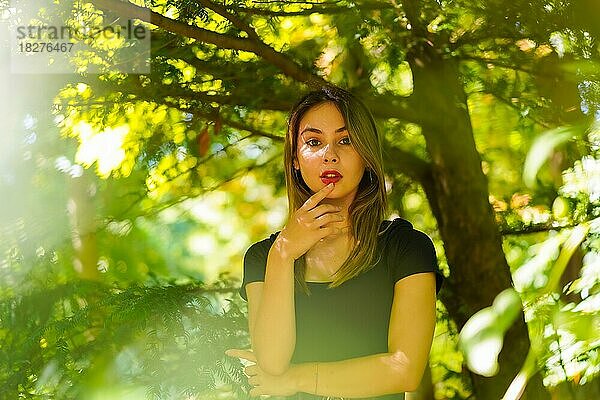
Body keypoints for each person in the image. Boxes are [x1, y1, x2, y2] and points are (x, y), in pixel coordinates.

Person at [226, 86, 443, 399]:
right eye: (314, 142)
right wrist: (284, 254)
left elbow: (404, 370)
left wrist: (295, 379)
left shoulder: (406, 248)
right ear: (295, 160)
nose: (330, 154)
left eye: (345, 140)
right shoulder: (265, 257)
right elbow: (272, 363)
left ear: (366, 156)